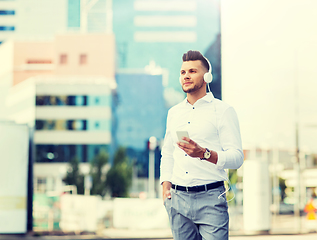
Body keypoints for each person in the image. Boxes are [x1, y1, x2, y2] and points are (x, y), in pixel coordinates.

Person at [160, 50, 244, 240]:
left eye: (192, 71)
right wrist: (165, 187)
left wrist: (204, 154)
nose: (186, 76)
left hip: (211, 199)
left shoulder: (223, 111)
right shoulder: (174, 113)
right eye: (182, 72)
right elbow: (168, 153)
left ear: (206, 76)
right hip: (178, 201)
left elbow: (237, 157)